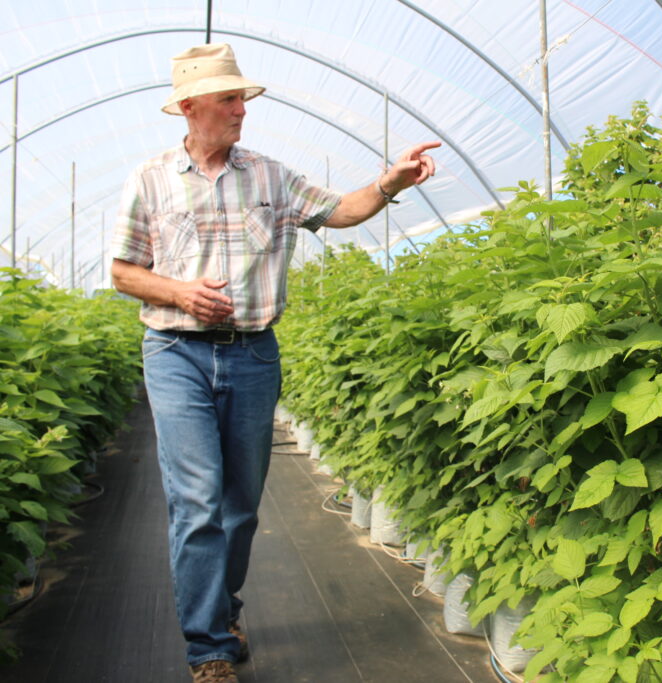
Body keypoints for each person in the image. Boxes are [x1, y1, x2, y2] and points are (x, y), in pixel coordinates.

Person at [110, 43, 439, 683]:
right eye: (229, 99)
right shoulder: (149, 179)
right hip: (176, 353)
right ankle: (207, 647)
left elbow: (340, 211)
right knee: (197, 500)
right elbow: (123, 271)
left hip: (254, 355)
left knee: (240, 505)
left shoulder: (270, 176)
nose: (242, 109)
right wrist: (179, 292)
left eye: (242, 98)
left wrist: (387, 183)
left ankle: (223, 606)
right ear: (188, 106)